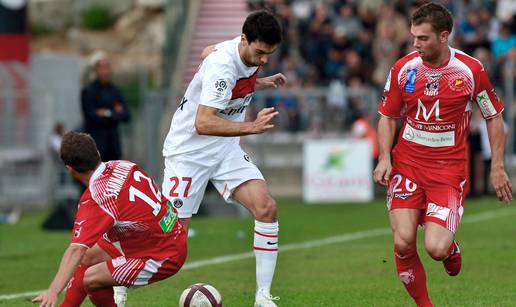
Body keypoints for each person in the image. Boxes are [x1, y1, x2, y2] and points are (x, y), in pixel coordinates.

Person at [373, 3, 512, 307]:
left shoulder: (470, 70)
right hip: (407, 165)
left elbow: (494, 115)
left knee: (435, 248)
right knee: (403, 240)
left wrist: (497, 167)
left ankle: (449, 249)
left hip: (448, 171)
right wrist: (385, 157)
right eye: (414, 37)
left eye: (422, 38)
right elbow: (387, 115)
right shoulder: (404, 68)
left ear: (443, 36)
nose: (415, 44)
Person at [162, 10, 286, 307]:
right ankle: (115, 270)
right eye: (259, 53)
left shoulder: (238, 51)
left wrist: (261, 81)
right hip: (189, 153)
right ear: (244, 40)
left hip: (224, 150)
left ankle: (263, 297)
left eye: (269, 54)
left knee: (266, 207)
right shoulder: (222, 66)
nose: (263, 60)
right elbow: (203, 123)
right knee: (168, 245)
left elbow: (209, 52)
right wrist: (252, 127)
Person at [32, 131, 187, 307]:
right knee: (89, 255)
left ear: (70, 169)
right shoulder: (122, 165)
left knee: (90, 279)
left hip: (161, 257)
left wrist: (53, 291)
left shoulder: (97, 199)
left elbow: (75, 250)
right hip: (172, 234)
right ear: (97, 153)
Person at [81, 52, 131, 162]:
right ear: (96, 70)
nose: (105, 72)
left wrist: (106, 113)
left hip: (113, 148)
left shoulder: (116, 91)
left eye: (107, 68)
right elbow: (91, 117)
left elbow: (126, 116)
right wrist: (115, 113)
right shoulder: (88, 91)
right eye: (101, 68)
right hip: (95, 149)